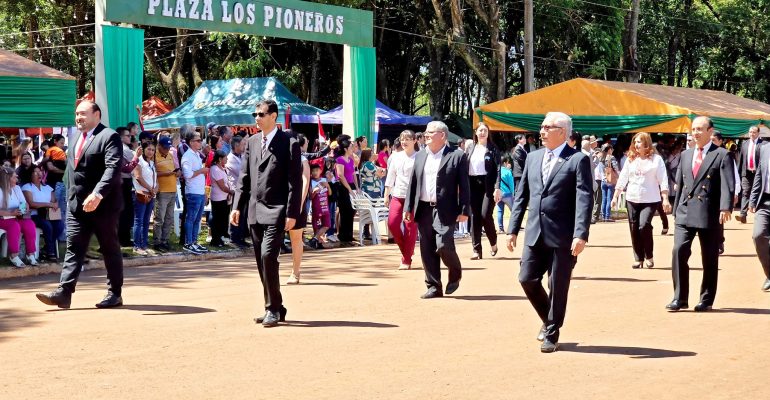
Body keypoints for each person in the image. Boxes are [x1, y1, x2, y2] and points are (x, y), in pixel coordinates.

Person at [506, 112, 593, 353]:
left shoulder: (577, 160)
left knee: (558, 284)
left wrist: (581, 234)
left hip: (562, 235)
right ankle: (549, 320)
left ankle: (552, 332)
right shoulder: (533, 158)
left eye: (548, 127)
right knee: (526, 278)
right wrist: (513, 229)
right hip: (535, 232)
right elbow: (522, 195)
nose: (542, 131)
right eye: (542, 127)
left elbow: (585, 198)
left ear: (562, 132)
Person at [36, 101, 125, 309]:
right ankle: (64, 293)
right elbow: (72, 172)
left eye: (83, 114)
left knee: (109, 248)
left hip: (103, 206)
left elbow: (112, 168)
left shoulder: (108, 136)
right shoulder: (75, 138)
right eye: (76, 114)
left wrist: (97, 194)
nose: (78, 118)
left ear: (97, 115)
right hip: (77, 206)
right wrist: (67, 196)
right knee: (73, 247)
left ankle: (115, 293)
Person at [231, 99, 302, 327]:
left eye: (261, 114)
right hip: (254, 209)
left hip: (278, 210)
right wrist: (236, 207)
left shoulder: (289, 143)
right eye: (255, 114)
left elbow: (294, 182)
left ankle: (272, 308)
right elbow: (244, 178)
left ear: (273, 116)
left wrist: (292, 213)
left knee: (268, 256)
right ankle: (275, 307)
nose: (257, 118)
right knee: (261, 261)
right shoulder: (251, 142)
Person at [667, 116, 735, 312]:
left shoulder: (721, 154)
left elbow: (727, 184)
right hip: (685, 211)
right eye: (693, 129)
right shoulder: (686, 154)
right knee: (678, 251)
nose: (695, 133)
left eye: (699, 129)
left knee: (709, 257)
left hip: (709, 212)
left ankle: (706, 298)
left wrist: (725, 207)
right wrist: (676, 207)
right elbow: (681, 184)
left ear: (710, 132)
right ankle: (679, 298)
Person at [404, 121, 471, 299]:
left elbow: (464, 186)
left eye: (430, 132)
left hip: (446, 209)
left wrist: (465, 210)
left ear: (442, 135)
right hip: (424, 208)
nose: (426, 135)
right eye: (426, 132)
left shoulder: (457, 156)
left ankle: (455, 273)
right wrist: (408, 207)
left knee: (443, 245)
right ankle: (434, 286)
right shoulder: (419, 156)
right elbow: (413, 183)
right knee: (427, 247)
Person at [611, 133, 670, 269]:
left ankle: (649, 255)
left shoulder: (656, 160)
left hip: (650, 198)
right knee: (634, 228)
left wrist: (665, 198)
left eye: (639, 142)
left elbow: (663, 179)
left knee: (644, 226)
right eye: (635, 142)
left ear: (647, 144)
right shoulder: (630, 159)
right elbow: (623, 178)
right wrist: (615, 196)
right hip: (632, 198)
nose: (636, 145)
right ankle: (638, 258)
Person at [465, 122, 502, 260]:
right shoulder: (470, 148)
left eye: (485, 130)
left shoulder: (493, 148)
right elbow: (464, 167)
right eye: (480, 130)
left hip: (488, 185)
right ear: (476, 133)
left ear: (488, 133)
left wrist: (497, 188)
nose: (482, 133)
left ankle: (493, 243)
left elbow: (498, 169)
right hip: (472, 185)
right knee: (474, 217)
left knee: (485, 215)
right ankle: (476, 250)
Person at [385, 130, 419, 270]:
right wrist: (387, 193)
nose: (404, 142)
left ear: (414, 141)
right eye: (402, 139)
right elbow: (391, 175)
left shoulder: (420, 156)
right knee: (392, 223)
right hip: (397, 195)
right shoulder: (395, 156)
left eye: (408, 139)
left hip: (413, 197)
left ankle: (406, 259)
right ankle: (407, 249)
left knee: (410, 227)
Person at [23, 165, 64, 261]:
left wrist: (54, 204)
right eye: (35, 172)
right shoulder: (27, 187)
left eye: (40, 172)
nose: (39, 174)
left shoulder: (47, 188)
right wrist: (48, 204)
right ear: (30, 175)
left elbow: (54, 202)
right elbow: (31, 204)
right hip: (34, 215)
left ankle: (46, 248)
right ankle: (50, 252)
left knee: (60, 225)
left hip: (48, 215)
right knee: (47, 225)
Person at [0, 167, 38, 267]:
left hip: (16, 216)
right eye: (14, 177)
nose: (17, 179)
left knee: (30, 224)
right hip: (3, 218)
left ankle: (30, 254)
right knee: (14, 226)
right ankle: (14, 255)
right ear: (7, 178)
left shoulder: (17, 188)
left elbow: (23, 203)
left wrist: (24, 208)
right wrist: (11, 213)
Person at [286, 133, 311, 284]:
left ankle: (295, 272)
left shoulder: (302, 159)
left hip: (296, 202)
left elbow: (305, 181)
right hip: (279, 202)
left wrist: (300, 203)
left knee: (295, 237)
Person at [181, 130, 209, 255]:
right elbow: (187, 175)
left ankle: (194, 242)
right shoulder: (187, 156)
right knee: (191, 218)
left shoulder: (196, 155)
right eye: (198, 140)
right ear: (191, 142)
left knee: (197, 219)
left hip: (199, 192)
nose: (200, 142)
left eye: (200, 140)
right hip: (192, 192)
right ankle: (188, 243)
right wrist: (201, 171)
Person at [748, 139, 770, 292]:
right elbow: (759, 175)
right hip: (765, 200)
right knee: (758, 235)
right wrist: (752, 199)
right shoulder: (764, 149)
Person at [152, 136, 179, 252]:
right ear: (159, 146)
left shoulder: (170, 155)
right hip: (162, 191)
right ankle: (157, 242)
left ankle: (165, 240)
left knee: (169, 218)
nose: (167, 150)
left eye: (168, 147)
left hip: (172, 189)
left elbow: (174, 169)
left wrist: (177, 173)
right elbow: (152, 172)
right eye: (165, 147)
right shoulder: (154, 156)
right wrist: (164, 173)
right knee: (160, 218)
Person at [132, 142, 157, 255]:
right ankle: (137, 246)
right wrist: (150, 189)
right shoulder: (139, 161)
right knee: (139, 221)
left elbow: (155, 180)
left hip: (151, 195)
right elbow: (138, 177)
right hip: (141, 194)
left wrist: (155, 189)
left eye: (152, 150)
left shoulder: (152, 163)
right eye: (148, 149)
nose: (150, 152)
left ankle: (144, 245)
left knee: (147, 221)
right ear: (143, 149)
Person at [335, 137, 360, 246]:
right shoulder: (339, 159)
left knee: (351, 211)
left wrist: (357, 186)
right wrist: (349, 189)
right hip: (342, 187)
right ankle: (343, 236)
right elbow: (340, 175)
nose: (352, 148)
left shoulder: (350, 160)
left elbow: (353, 174)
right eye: (350, 147)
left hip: (350, 186)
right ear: (345, 149)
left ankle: (349, 235)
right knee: (345, 211)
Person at [226, 135, 248, 247]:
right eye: (243, 144)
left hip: (243, 190)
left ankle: (241, 237)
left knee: (242, 215)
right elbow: (241, 173)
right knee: (236, 214)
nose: (245, 146)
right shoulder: (230, 158)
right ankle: (234, 238)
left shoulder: (241, 156)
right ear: (236, 145)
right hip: (235, 191)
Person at [209, 150, 234, 247]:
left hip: (224, 198)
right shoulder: (215, 169)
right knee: (217, 219)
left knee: (223, 219)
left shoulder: (222, 168)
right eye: (225, 157)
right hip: (218, 198)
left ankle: (220, 238)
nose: (227, 159)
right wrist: (231, 192)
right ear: (220, 159)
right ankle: (215, 240)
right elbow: (222, 186)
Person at [738, 126, 762, 223]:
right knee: (745, 192)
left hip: (758, 173)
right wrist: (739, 172)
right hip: (746, 173)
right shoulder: (744, 144)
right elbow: (741, 159)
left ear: (758, 133)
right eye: (750, 132)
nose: (752, 134)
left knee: (759, 193)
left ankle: (760, 215)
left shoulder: (764, 144)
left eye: (754, 132)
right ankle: (743, 215)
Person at [117, 126, 137, 247]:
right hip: (123, 182)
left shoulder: (120, 148)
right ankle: (123, 239)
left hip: (124, 181)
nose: (131, 137)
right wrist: (136, 155)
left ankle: (124, 238)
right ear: (120, 137)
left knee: (125, 211)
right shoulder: (124, 149)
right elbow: (134, 163)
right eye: (128, 135)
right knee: (125, 211)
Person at [44, 134, 67, 222]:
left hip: (62, 183)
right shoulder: (49, 154)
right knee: (55, 207)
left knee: (62, 207)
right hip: (54, 184)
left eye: (63, 143)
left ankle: (61, 229)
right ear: (55, 142)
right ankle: (54, 227)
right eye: (61, 143)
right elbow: (51, 168)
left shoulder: (61, 153)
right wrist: (65, 172)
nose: (62, 145)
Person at [309, 164, 331, 249]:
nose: (315, 173)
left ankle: (314, 239)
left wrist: (328, 186)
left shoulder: (324, 180)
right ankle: (318, 243)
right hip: (316, 208)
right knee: (317, 226)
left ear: (320, 171)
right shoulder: (311, 182)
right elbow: (310, 197)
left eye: (316, 171)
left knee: (326, 225)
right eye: (313, 171)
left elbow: (330, 193)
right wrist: (314, 191)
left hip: (325, 207)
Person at [599, 143, 620, 222]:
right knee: (609, 198)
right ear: (609, 149)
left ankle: (603, 216)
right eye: (612, 149)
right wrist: (619, 175)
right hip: (610, 180)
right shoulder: (611, 157)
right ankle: (607, 216)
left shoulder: (601, 158)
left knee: (603, 199)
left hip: (603, 180)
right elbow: (615, 168)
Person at [497, 155, 514, 233]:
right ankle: (513, 227)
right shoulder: (508, 171)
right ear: (504, 163)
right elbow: (511, 184)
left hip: (499, 194)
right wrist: (513, 193)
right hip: (507, 194)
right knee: (513, 210)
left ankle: (501, 228)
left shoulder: (497, 171)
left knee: (500, 211)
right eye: (507, 162)